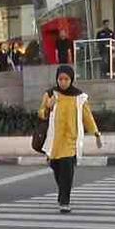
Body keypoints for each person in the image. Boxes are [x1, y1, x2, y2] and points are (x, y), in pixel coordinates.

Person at [39, 65, 102, 213]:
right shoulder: (50, 94)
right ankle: (62, 193)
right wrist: (48, 107)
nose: (63, 82)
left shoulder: (80, 97)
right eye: (60, 79)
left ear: (71, 79)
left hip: (71, 140)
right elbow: (41, 113)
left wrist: (96, 133)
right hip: (55, 141)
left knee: (67, 170)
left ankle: (64, 200)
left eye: (66, 79)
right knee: (56, 168)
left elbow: (87, 117)